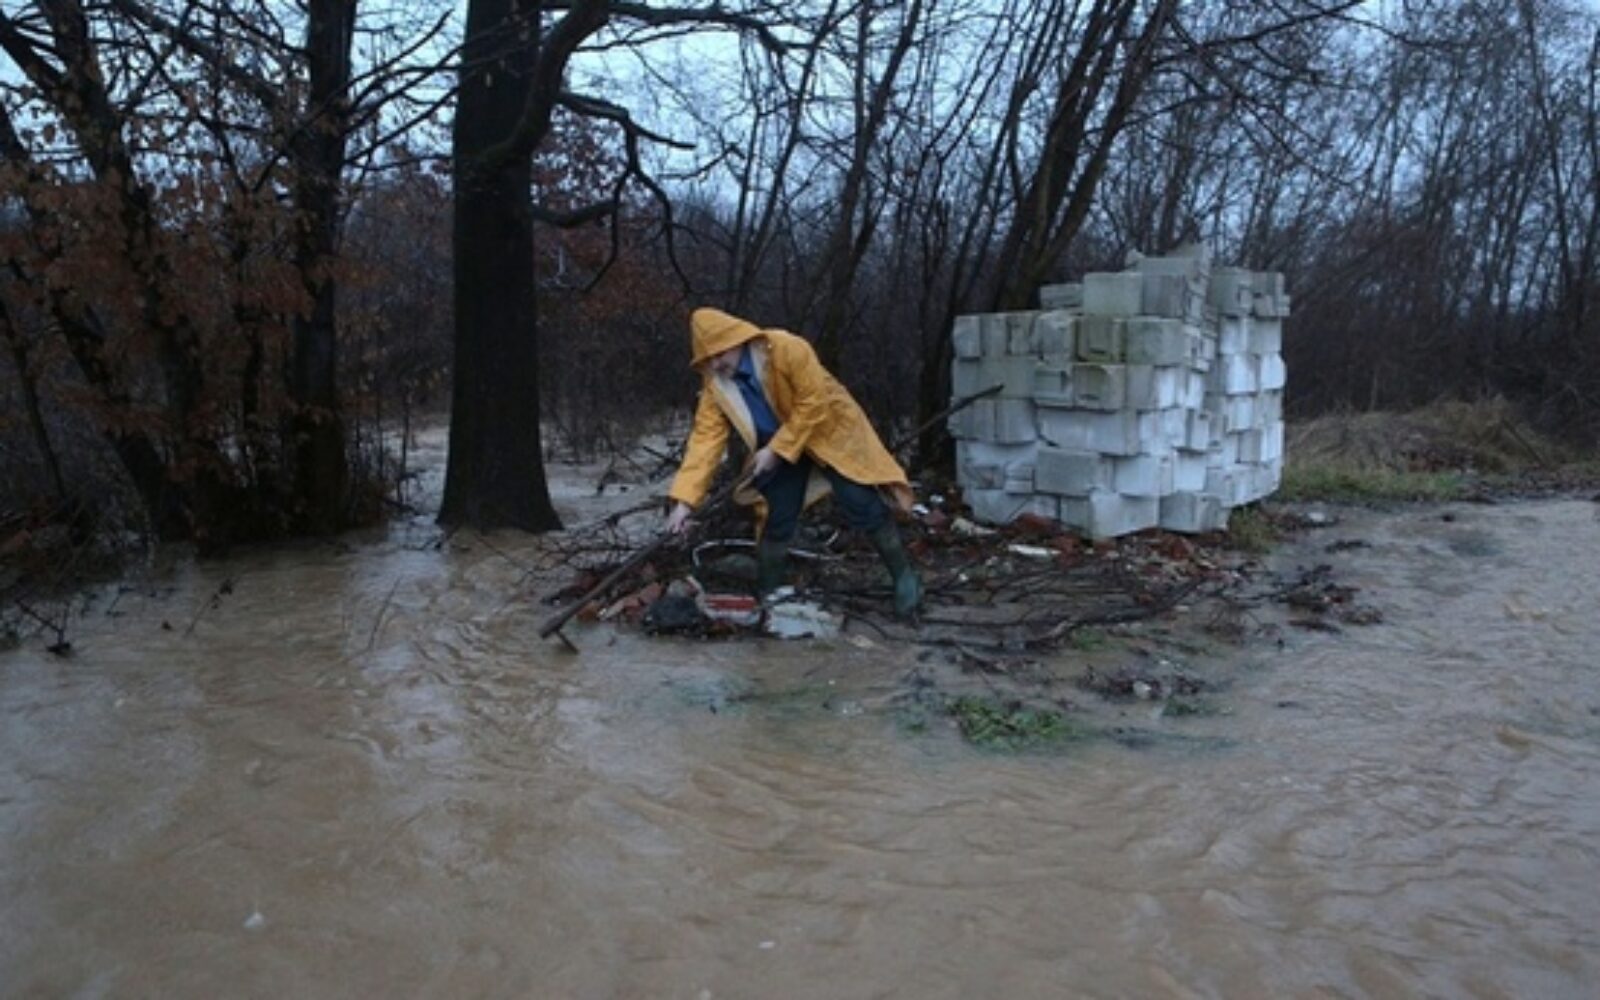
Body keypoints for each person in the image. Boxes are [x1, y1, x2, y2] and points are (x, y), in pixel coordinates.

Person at [665, 307, 923, 617]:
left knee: (860, 500)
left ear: (738, 340)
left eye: (720, 354)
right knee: (777, 515)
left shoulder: (786, 348)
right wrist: (685, 503)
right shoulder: (716, 387)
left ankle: (904, 577)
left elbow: (814, 402)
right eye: (709, 359)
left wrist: (776, 449)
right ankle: (770, 594)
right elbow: (705, 441)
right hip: (782, 451)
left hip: (829, 435)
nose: (716, 364)